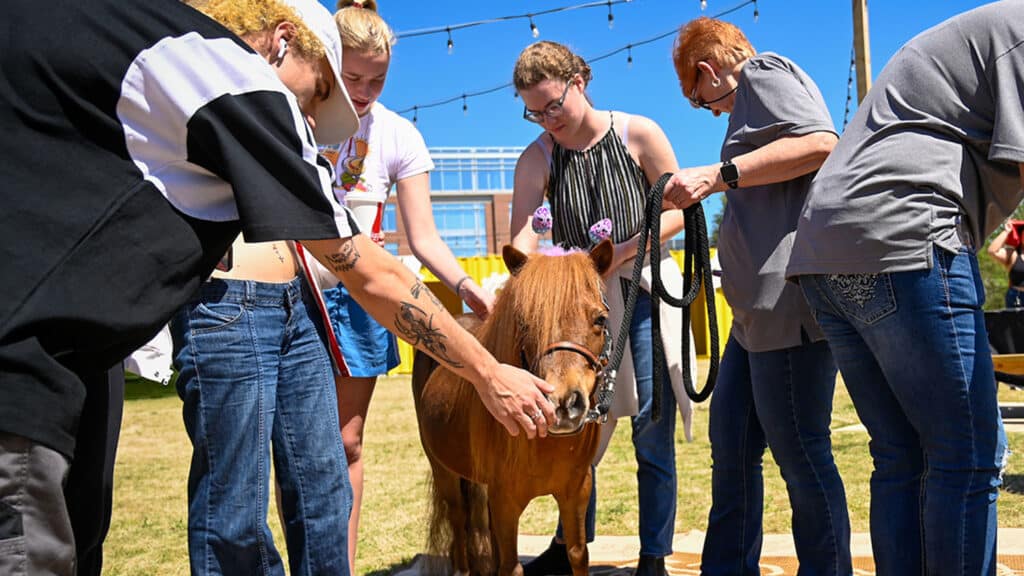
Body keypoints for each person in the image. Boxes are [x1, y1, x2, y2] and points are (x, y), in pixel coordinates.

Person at [0, 1, 557, 574]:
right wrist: (488, 372)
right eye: (318, 95)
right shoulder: (229, 72)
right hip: (31, 367)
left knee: (322, 486)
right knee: (209, 508)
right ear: (282, 41)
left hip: (91, 346)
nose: (310, 122)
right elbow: (371, 271)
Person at [785, 2, 1019, 574]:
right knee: (966, 455)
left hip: (822, 250)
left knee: (903, 455)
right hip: (903, 235)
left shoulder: (986, 33)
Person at [663, 17, 852, 575]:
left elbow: (822, 143)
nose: (712, 111)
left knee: (802, 455)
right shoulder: (749, 98)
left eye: (703, 101)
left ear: (707, 71)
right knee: (734, 452)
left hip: (786, 313)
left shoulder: (762, 72)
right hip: (754, 323)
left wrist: (718, 175)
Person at [320, 1, 497, 571]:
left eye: (377, 79)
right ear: (325, 61)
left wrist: (466, 285)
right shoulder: (291, 117)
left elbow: (424, 239)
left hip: (359, 300)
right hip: (288, 290)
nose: (365, 89)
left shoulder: (398, 135)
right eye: (352, 77)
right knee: (296, 449)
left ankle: (336, 564)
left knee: (345, 443)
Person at [510, 40, 698, 576]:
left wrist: (618, 254)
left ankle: (654, 556)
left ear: (580, 81)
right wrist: (535, 271)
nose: (548, 120)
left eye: (553, 105)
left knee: (650, 430)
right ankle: (569, 542)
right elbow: (520, 236)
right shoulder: (538, 157)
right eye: (534, 111)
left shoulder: (638, 134)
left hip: (641, 292)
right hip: (576, 310)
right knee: (573, 424)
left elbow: (681, 210)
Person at [987, 220, 1024, 308]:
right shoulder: (1013, 254)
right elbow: (992, 251)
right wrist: (1007, 231)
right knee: (1013, 322)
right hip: (1016, 297)